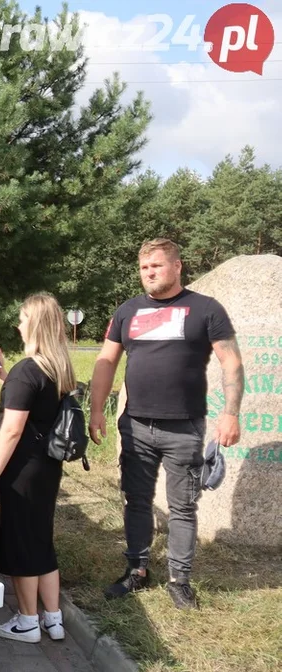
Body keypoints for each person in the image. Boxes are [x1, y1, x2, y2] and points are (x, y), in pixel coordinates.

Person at [88, 238, 243, 610]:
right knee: (136, 500)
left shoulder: (206, 309)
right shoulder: (127, 311)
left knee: (183, 506)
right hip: (136, 425)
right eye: (144, 268)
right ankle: (136, 571)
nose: (149, 273)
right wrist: (95, 411)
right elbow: (107, 361)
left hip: (184, 427)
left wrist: (231, 413)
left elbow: (231, 363)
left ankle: (180, 580)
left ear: (177, 266)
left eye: (156, 266)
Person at [0, 292, 76, 644]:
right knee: (41, 541)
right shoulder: (57, 368)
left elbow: (13, 428)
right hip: (47, 467)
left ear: (34, 324)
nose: (18, 324)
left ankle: (26, 621)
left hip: (21, 469)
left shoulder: (28, 370)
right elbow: (36, 407)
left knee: (20, 542)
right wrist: (5, 376)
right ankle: (53, 619)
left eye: (22, 319)